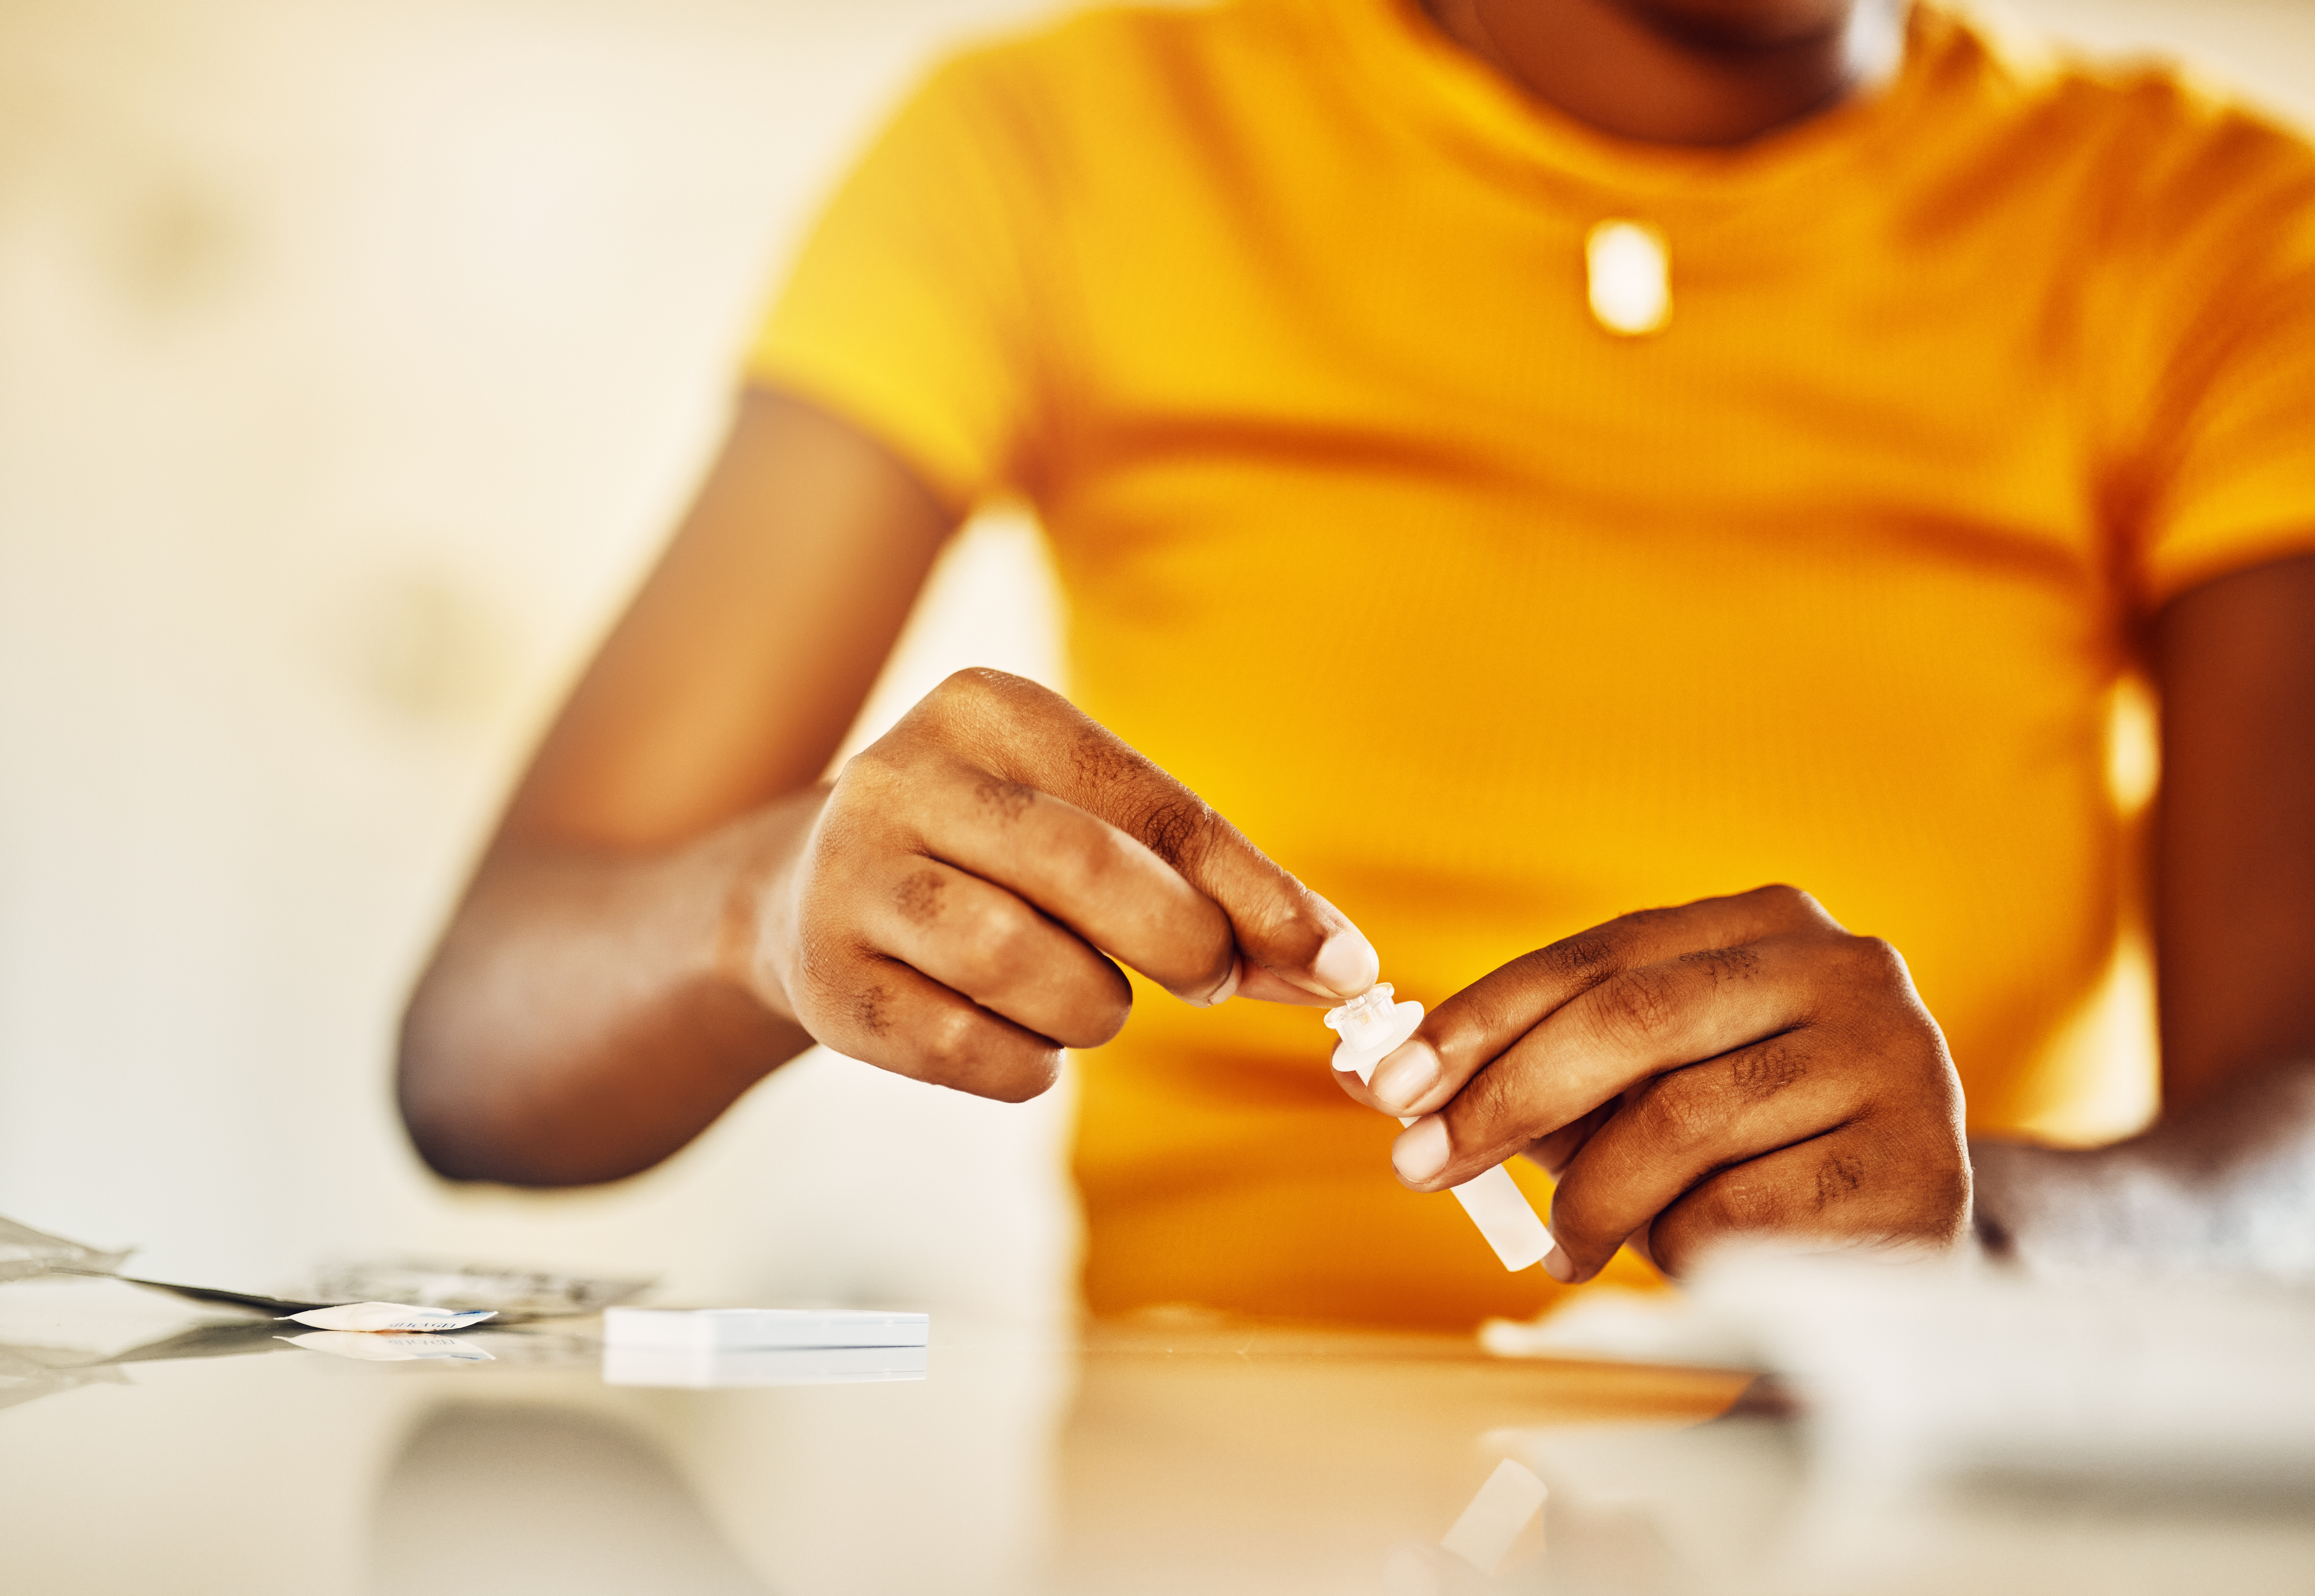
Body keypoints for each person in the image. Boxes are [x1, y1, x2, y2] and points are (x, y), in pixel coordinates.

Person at [397, 0, 2315, 1327]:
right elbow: (476, 1055)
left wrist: (2002, 1246)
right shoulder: (1060, 153)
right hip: (1193, 1517)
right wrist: (769, 901)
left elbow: (2287, 1157)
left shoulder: (2213, 241)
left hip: (1899, 1510)